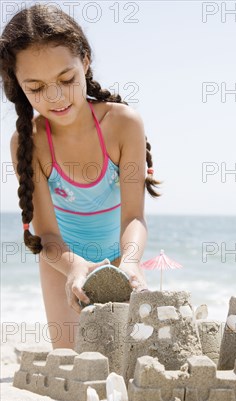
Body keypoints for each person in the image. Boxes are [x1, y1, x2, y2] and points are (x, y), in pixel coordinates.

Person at [0, 4, 163, 349]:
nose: (55, 97)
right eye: (36, 87)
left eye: (66, 80)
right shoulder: (28, 143)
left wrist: (131, 260)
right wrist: (75, 268)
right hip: (63, 260)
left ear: (84, 62)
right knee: (73, 363)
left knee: (131, 356)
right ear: (17, 84)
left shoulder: (123, 124)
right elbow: (46, 234)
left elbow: (134, 217)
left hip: (123, 256)